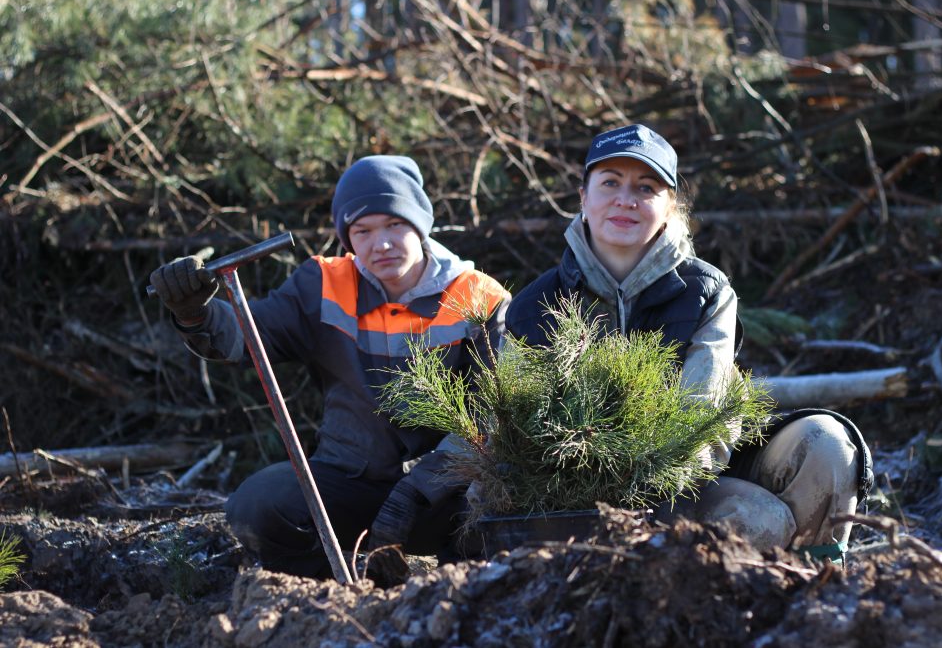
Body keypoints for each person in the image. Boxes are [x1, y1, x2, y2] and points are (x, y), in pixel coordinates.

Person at [504, 124, 872, 563]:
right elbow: (514, 430)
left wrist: (648, 498)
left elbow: (703, 415)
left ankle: (814, 597)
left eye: (646, 187)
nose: (626, 199)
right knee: (761, 522)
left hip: (687, 480)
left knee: (826, 445)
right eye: (609, 183)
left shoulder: (706, 291)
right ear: (583, 198)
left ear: (669, 206)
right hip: (571, 502)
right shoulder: (533, 306)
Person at [150, 155, 510, 584]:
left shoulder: (478, 296)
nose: (381, 244)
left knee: (507, 506)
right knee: (257, 506)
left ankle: (453, 592)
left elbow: (498, 413)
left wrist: (422, 487)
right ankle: (328, 593)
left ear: (420, 224)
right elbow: (246, 336)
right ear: (347, 237)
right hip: (348, 482)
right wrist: (196, 315)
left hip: (443, 495)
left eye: (395, 225)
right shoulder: (324, 285)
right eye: (363, 231)